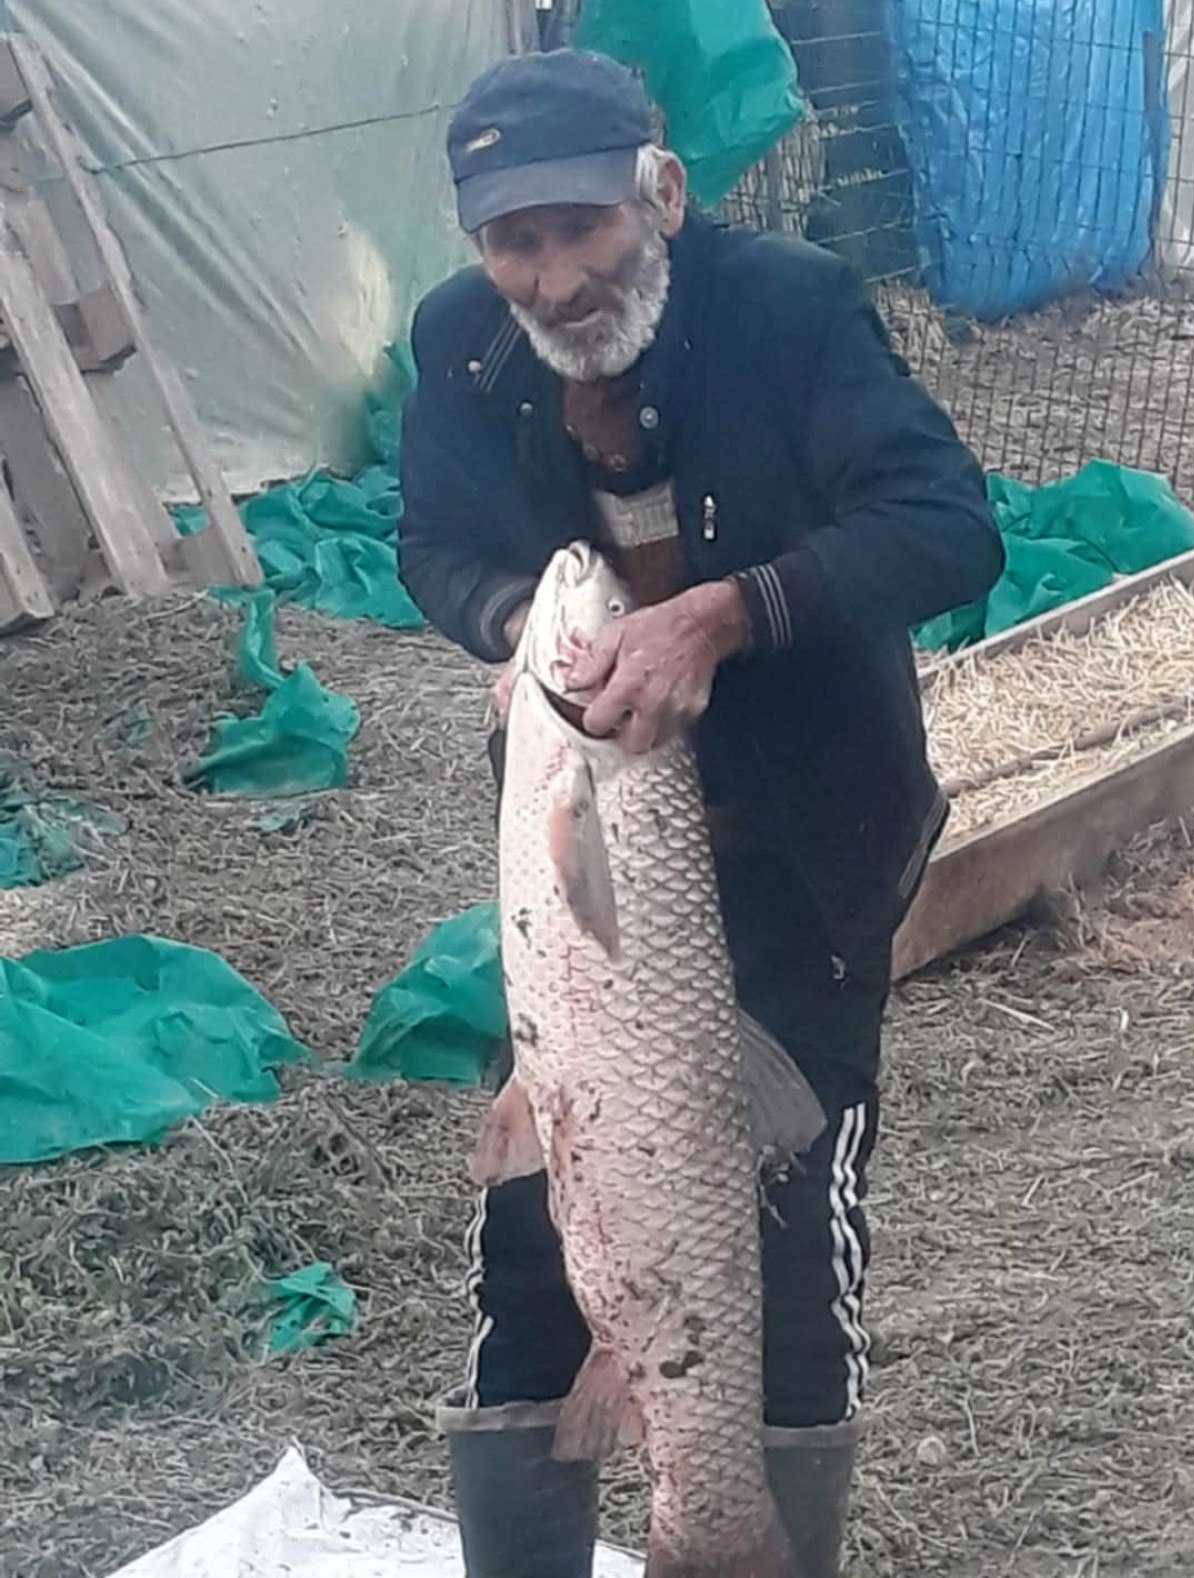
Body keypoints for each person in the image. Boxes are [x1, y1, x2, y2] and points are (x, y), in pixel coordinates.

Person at [397, 48, 1003, 1578]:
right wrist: (513, 631)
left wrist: (728, 615)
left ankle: (732, 1534)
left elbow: (948, 526)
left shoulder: (789, 309)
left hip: (803, 852)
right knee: (534, 1232)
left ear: (660, 193)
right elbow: (435, 542)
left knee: (783, 1254)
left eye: (584, 226)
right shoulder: (462, 342)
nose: (555, 276)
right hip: (589, 881)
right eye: (514, 240)